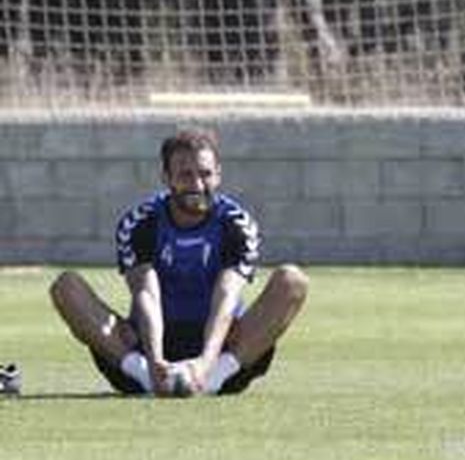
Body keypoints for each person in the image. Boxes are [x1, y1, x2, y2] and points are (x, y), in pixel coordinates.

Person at [49, 128, 309, 397]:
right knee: (66, 287)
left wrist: (207, 365)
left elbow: (226, 296)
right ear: (167, 178)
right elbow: (146, 294)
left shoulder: (237, 224)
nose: (197, 185)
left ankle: (212, 382)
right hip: (150, 344)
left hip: (221, 349)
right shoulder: (140, 223)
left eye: (205, 174)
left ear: (218, 174)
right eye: (186, 175)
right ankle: (148, 380)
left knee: (292, 281)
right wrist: (154, 362)